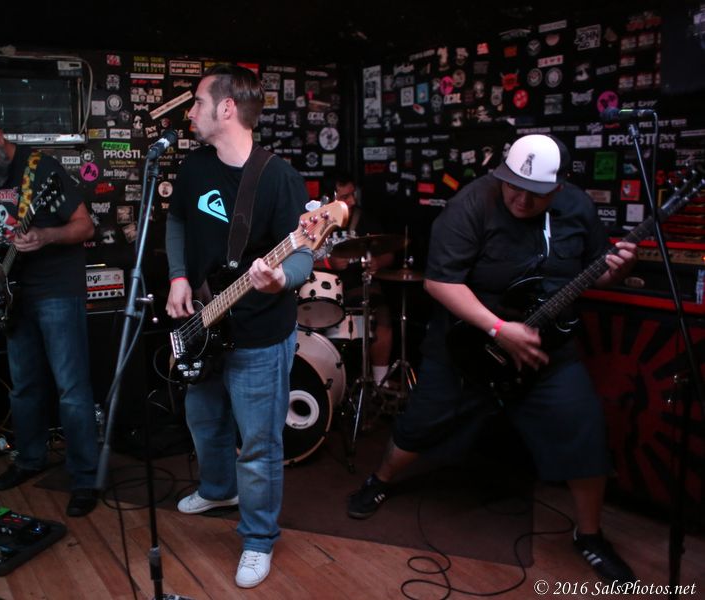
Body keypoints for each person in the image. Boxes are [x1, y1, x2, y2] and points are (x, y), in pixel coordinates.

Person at [347, 134, 638, 584]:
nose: (521, 199)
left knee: (584, 427)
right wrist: (499, 329)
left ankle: (590, 535)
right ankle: (380, 480)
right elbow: (439, 282)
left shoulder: (577, 208)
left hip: (544, 347)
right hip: (467, 344)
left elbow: (594, 271)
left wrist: (618, 270)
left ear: (558, 188)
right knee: (420, 424)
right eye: (513, 186)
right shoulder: (470, 204)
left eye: (535, 193)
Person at [165, 64, 312, 588]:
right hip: (205, 320)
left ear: (226, 108)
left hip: (260, 333)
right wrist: (178, 276)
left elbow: (304, 252)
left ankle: (258, 538)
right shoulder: (194, 168)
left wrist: (279, 281)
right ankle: (218, 489)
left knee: (259, 445)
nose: (191, 112)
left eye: (197, 102)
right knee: (204, 421)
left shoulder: (279, 177)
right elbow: (177, 220)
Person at [0, 107, 99, 518]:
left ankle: (85, 478)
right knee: (23, 385)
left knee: (71, 388)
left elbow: (85, 226)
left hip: (57, 289)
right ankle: (30, 458)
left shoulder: (43, 170)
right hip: (12, 291)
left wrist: (47, 235)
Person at [316, 173, 394, 386]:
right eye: (345, 197)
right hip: (322, 291)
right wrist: (328, 264)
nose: (352, 201)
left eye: (353, 195)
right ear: (329, 199)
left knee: (383, 314)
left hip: (358, 288)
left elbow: (389, 252)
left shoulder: (365, 220)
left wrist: (377, 262)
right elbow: (297, 259)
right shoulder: (314, 221)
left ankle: (380, 382)